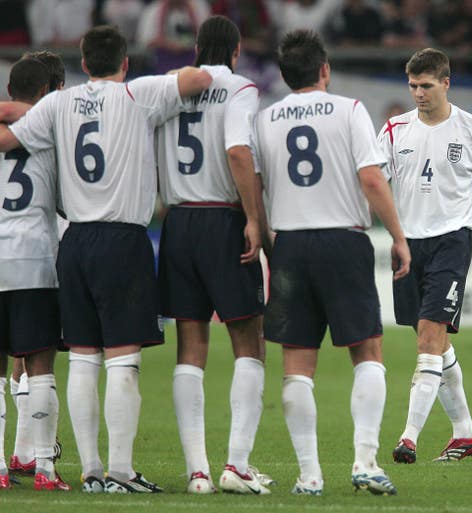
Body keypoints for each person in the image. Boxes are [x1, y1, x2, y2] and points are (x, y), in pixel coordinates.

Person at [0, 25, 212, 493]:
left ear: (82, 58)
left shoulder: (59, 103)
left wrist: (22, 110)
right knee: (122, 360)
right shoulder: (140, 94)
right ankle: (120, 471)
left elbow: (8, 139)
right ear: (126, 61)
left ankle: (91, 470)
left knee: (81, 359)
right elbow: (199, 81)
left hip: (73, 242)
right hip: (122, 239)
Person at [254, 29, 411, 496]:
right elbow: (372, 179)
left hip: (289, 246)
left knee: (297, 364)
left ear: (285, 76)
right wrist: (399, 237)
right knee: (367, 351)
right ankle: (364, 462)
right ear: (325, 69)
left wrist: (267, 242)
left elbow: (257, 189)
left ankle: (309, 475)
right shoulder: (350, 110)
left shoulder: (265, 119)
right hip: (343, 242)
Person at [377, 48, 472, 464]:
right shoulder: (394, 130)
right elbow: (373, 186)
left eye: (426, 85)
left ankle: (408, 438)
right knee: (433, 345)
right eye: (413, 86)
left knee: (428, 337)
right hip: (407, 244)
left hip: (452, 240)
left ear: (446, 83)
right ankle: (465, 434)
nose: (419, 93)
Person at [155, 15, 272, 495]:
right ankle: (236, 465)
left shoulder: (167, 87)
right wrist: (254, 219)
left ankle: (197, 471)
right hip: (222, 218)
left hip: (178, 222)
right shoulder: (240, 89)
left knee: (190, 345)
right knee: (250, 339)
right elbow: (238, 151)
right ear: (236, 51)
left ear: (195, 48)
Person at [0, 58, 68, 491]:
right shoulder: (55, 132)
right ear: (46, 94)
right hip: (36, 259)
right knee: (40, 365)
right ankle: (44, 467)